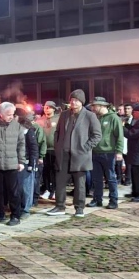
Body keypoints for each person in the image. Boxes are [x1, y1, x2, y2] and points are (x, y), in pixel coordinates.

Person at [46, 89, 101, 218]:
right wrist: (57, 145)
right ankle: (60, 206)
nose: (73, 103)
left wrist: (85, 148)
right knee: (59, 182)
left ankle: (79, 208)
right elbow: (57, 132)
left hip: (80, 155)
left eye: (76, 100)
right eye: (72, 100)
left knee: (79, 183)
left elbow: (97, 135)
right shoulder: (64, 115)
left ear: (81, 102)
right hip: (63, 154)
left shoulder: (89, 116)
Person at [0, 102, 25, 226]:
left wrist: (21, 161)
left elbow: (21, 144)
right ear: (1, 114)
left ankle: (15, 216)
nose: (11, 117)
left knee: (13, 192)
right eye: (8, 114)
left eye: (13, 114)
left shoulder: (16, 126)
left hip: (12, 164)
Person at [89, 97, 124, 210]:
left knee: (111, 178)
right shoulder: (95, 118)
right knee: (96, 178)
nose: (93, 108)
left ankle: (113, 200)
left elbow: (119, 136)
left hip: (108, 152)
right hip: (95, 152)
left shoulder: (114, 118)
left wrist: (119, 151)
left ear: (102, 106)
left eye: (95, 106)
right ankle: (97, 199)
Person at [38, 101, 59, 200]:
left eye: (49, 107)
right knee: (45, 170)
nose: (47, 109)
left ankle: (54, 190)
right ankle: (46, 189)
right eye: (45, 107)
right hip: (44, 150)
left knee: (55, 170)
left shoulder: (58, 119)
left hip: (55, 149)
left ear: (54, 109)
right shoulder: (40, 120)